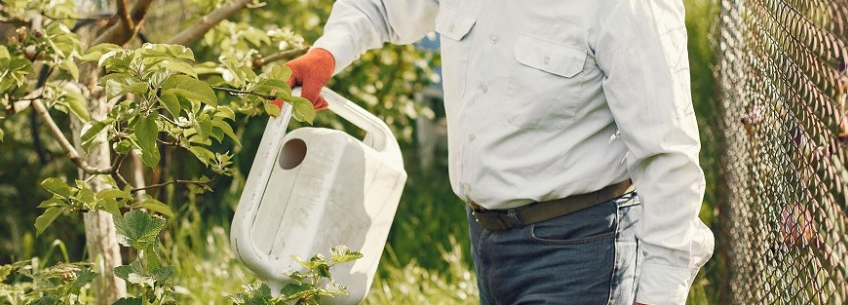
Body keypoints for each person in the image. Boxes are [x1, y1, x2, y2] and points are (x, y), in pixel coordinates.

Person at [279, 0, 715, 304]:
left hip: (582, 250)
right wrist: (327, 52)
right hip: (489, 241)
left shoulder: (627, 5)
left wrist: (657, 296)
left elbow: (668, 157)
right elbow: (379, 4)